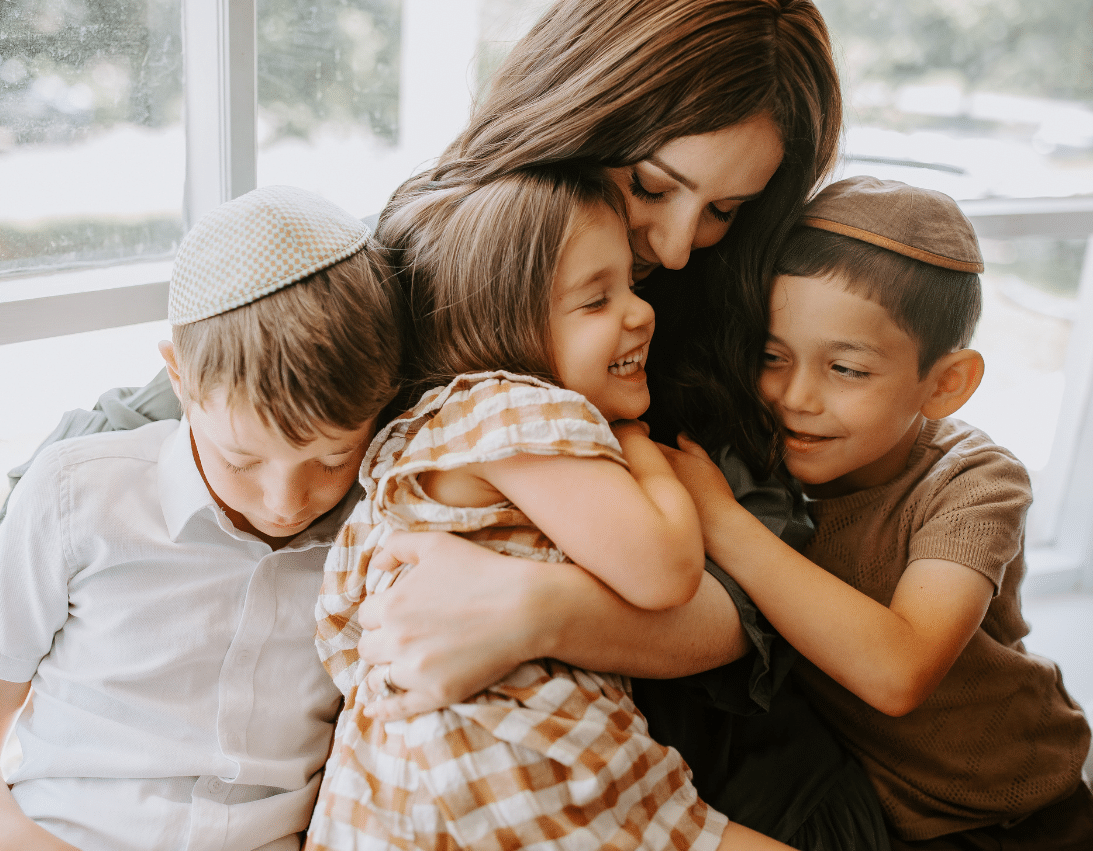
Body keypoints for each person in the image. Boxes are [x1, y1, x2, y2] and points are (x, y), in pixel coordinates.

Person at [0, 1, 868, 848]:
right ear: (574, 116)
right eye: (651, 186)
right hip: (430, 777)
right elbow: (120, 444)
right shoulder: (435, 267)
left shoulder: (693, 331)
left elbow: (753, 593)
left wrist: (540, 609)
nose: (679, 246)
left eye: (726, 211)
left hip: (635, 759)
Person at [0, 186, 404, 851]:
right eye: (243, 457)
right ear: (179, 378)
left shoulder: (377, 529)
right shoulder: (78, 498)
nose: (286, 500)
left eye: (332, 456)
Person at [309, 166, 794, 851]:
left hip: (407, 785)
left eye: (630, 283)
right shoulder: (518, 413)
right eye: (596, 300)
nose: (640, 311)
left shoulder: (429, 439)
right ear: (505, 329)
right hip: (512, 765)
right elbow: (664, 569)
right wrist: (643, 448)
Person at [663, 176, 1093, 850]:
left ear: (945, 383)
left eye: (848, 369)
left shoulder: (977, 482)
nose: (796, 395)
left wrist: (720, 517)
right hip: (879, 799)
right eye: (772, 356)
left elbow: (899, 672)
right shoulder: (763, 445)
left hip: (1008, 808)